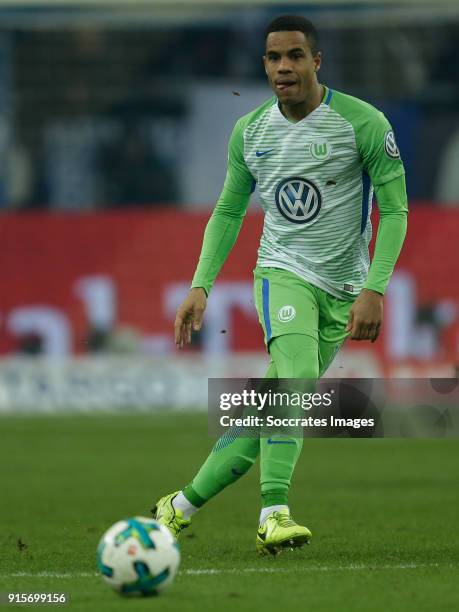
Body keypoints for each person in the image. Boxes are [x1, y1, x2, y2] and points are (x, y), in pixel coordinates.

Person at [152, 14, 408, 555]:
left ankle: (177, 508)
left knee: (267, 413)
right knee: (294, 382)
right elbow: (227, 211)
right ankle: (274, 512)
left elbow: (396, 210)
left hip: (343, 286)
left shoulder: (363, 123)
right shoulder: (251, 131)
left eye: (294, 56)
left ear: (317, 61)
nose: (283, 67)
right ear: (264, 64)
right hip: (282, 272)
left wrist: (375, 288)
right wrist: (201, 284)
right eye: (273, 58)